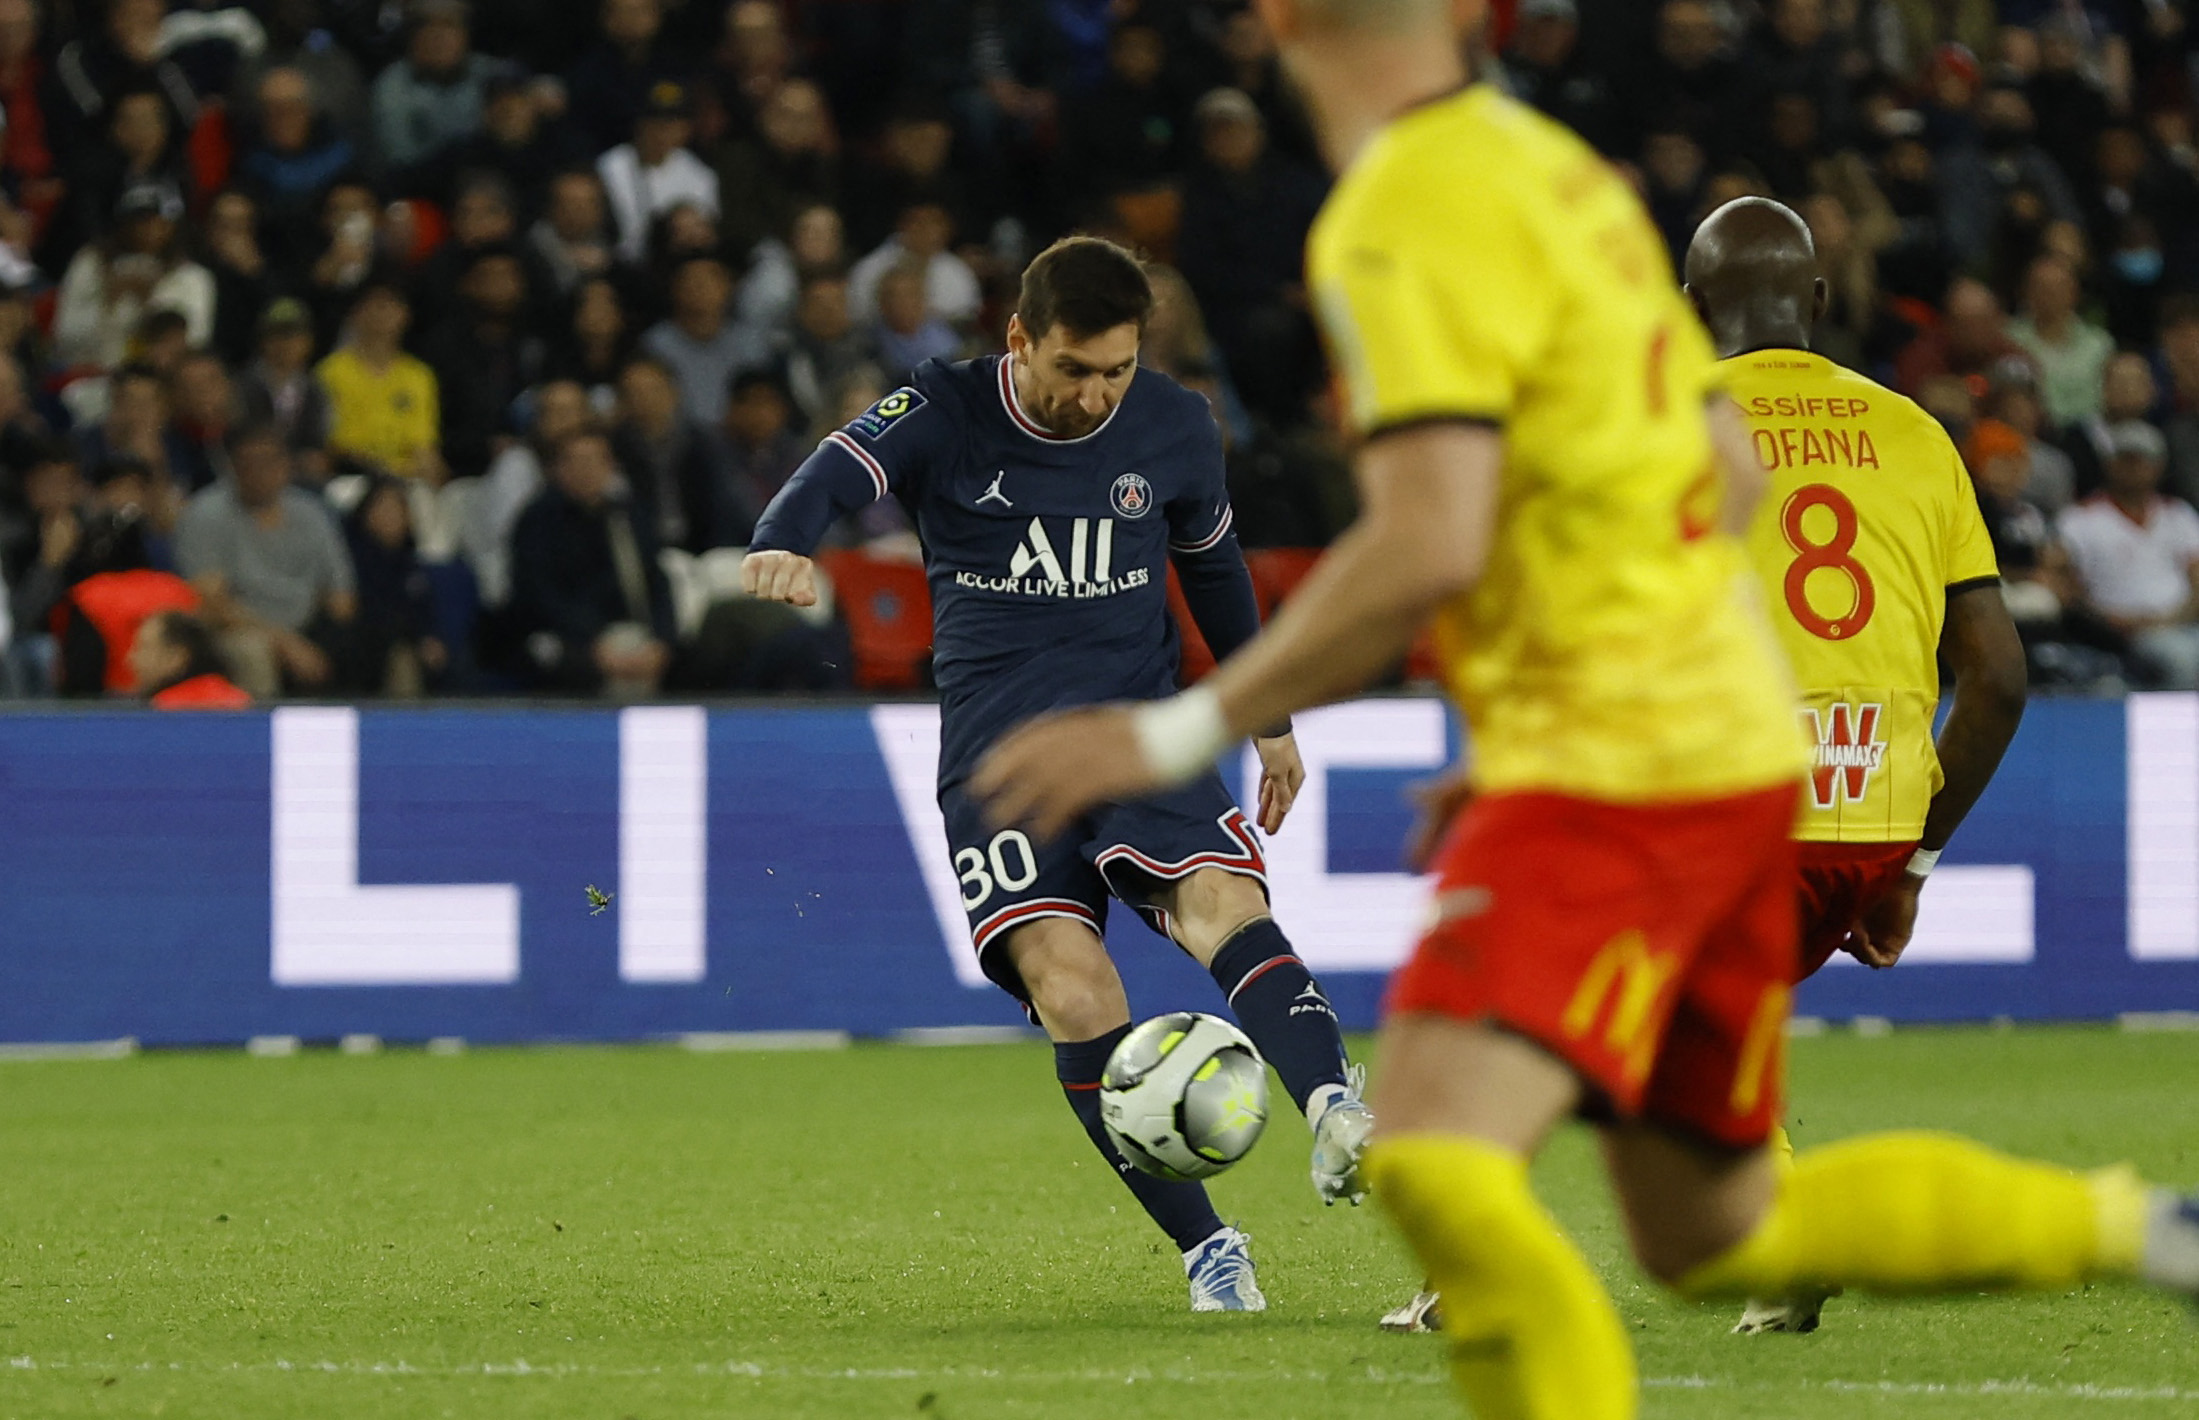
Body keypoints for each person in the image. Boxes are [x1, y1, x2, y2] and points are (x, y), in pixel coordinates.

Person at [966, 4, 2199, 1414]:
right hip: (1732, 760)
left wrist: (1177, 729)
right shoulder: (1559, 177)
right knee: (1710, 1224)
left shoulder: (1396, 212)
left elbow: (1427, 542)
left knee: (1438, 1157)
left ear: (1282, 23)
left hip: (1635, 768)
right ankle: (2123, 1225)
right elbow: (1722, 474)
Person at [742, 236, 1371, 1313]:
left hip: (1136, 735)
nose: (1094, 396)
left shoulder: (1174, 425)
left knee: (1224, 903)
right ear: (1019, 338)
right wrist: (780, 537)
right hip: (1001, 763)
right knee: (1075, 991)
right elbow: (841, 468)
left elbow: (1214, 569)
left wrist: (1269, 718)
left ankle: (1335, 1111)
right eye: (1073, 369)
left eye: (1116, 370)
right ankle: (1208, 1250)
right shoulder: (943, 406)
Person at [1687, 196, 2030, 1332]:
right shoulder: (1917, 434)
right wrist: (1913, 865)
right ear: (1822, 299)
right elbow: (1999, 678)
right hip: (1870, 817)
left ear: (1689, 307)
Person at [175, 423, 356, 698]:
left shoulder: (310, 512)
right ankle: (257, 724)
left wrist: (319, 637)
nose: (259, 472)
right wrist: (285, 642)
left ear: (286, 464)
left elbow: (342, 599)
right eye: (248, 463)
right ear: (232, 467)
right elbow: (211, 602)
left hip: (307, 624)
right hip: (239, 628)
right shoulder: (205, 514)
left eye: (269, 461)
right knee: (251, 651)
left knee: (371, 640)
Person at [506, 428, 675, 696]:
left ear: (611, 467)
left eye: (595, 461)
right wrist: (593, 642)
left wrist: (662, 641)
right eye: (575, 461)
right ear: (557, 469)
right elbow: (538, 596)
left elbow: (657, 582)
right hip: (564, 634)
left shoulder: (627, 517)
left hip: (631, 632)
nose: (586, 470)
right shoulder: (537, 522)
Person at [2058, 420, 2199, 689]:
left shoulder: (2178, 514)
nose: (2133, 468)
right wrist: (2113, 621)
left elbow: (2197, 579)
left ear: (2159, 466)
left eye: (2142, 461)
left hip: (2181, 624)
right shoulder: (2080, 519)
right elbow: (2066, 587)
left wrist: (2173, 619)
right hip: (2115, 631)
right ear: (2109, 463)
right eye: (2125, 460)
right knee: (2182, 660)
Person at [316, 284, 445, 483]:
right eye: (375, 306)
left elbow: (424, 444)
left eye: (390, 306)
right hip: (350, 475)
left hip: (406, 478)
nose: (382, 315)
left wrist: (429, 473)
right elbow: (331, 444)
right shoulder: (331, 372)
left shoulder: (418, 375)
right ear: (355, 314)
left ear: (405, 315)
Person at [130, 609, 250, 708]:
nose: (131, 658)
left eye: (143, 648)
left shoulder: (166, 709)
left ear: (175, 657)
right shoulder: (242, 701)